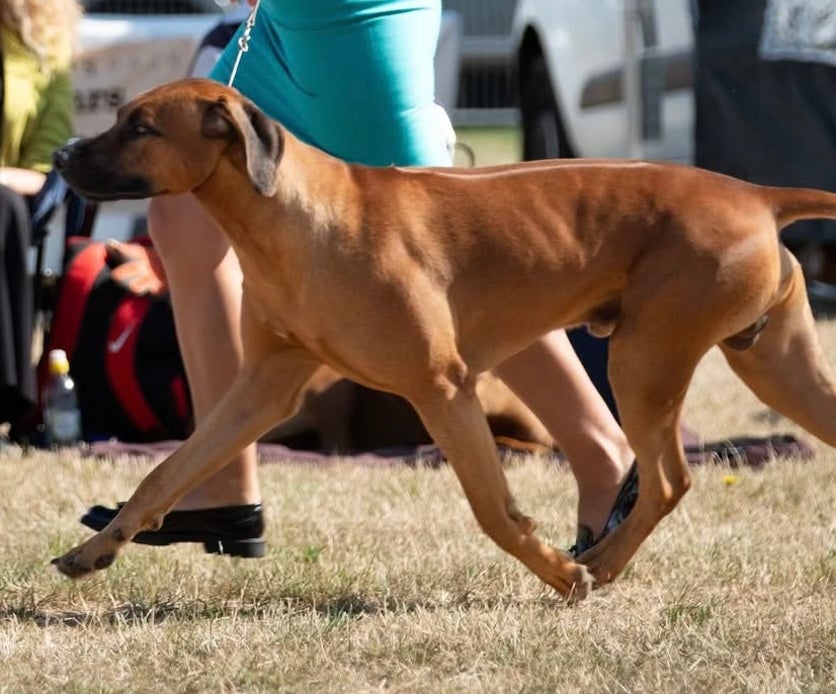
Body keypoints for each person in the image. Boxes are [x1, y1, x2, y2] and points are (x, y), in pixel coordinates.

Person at [82, 0, 637, 558]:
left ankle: (603, 458)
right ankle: (223, 486)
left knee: (438, 259)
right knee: (183, 216)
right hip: (281, 25)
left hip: (351, 12)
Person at [0, 0, 80, 435]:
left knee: (3, 204)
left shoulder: (43, 43)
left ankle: (9, 394)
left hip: (7, 195)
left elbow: (43, 168)